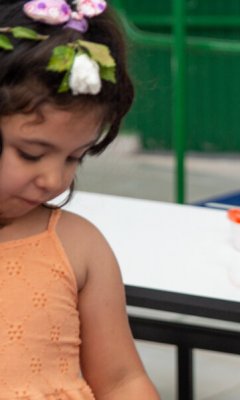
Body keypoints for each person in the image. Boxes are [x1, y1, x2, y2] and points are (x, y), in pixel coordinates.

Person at [0, 0, 159, 398]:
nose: (53, 179)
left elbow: (122, 380)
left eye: (75, 157)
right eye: (31, 153)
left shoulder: (79, 246)